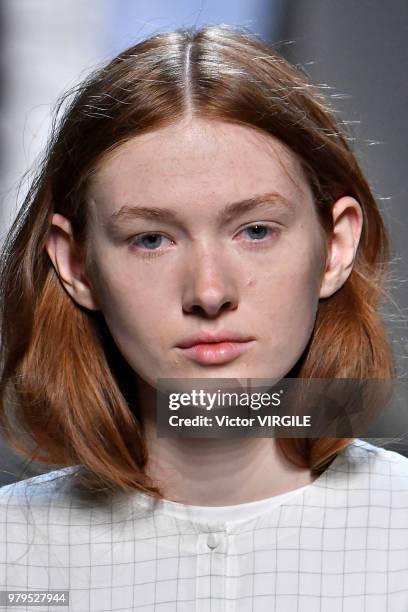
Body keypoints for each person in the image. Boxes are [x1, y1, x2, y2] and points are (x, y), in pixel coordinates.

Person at [0, 24, 407, 612]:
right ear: (77, 263)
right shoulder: (13, 556)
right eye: (151, 239)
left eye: (256, 231)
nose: (209, 292)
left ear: (336, 246)